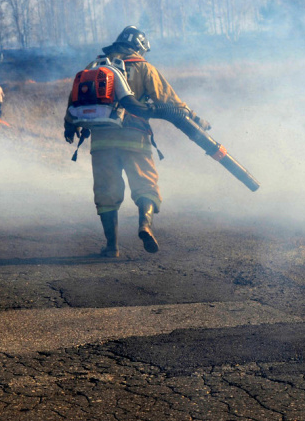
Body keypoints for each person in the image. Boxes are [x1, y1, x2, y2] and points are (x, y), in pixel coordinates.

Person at [64, 26, 208, 258]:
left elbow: (75, 98)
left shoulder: (96, 65)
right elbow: (169, 101)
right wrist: (194, 118)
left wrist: (69, 125)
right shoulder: (143, 68)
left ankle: (112, 247)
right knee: (145, 184)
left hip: (102, 141)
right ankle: (145, 225)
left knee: (106, 192)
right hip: (135, 137)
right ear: (140, 48)